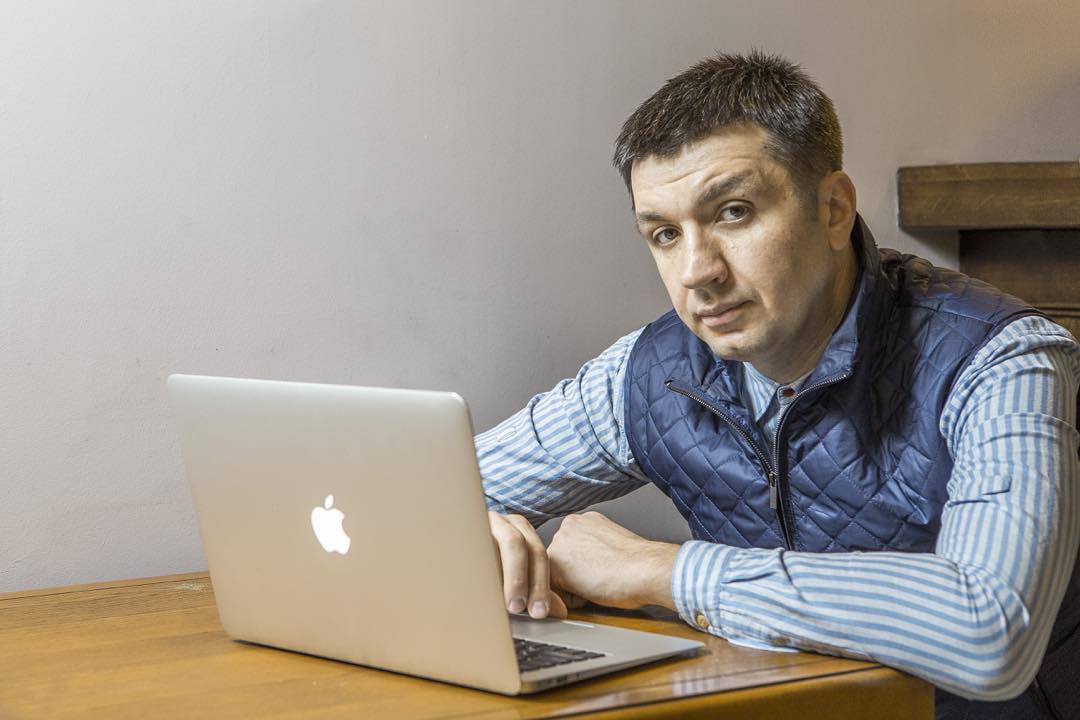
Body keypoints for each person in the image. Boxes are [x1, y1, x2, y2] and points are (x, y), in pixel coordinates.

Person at [476, 51, 1079, 719]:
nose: (697, 271)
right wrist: (477, 532)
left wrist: (661, 571)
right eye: (666, 233)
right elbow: (429, 497)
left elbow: (991, 629)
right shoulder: (647, 374)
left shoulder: (1002, 360)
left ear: (833, 209)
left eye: (733, 212)